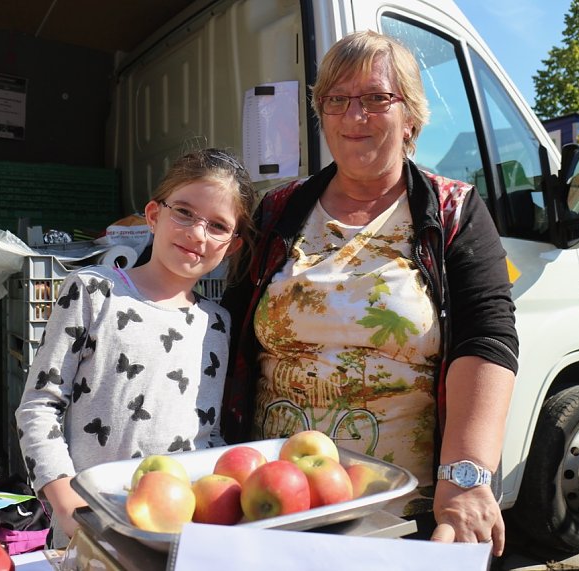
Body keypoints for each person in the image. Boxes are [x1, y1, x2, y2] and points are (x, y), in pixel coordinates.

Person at [220, 31, 518, 557]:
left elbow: (486, 336)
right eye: (337, 99)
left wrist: (467, 476)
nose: (354, 115)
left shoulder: (453, 212)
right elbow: (225, 330)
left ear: (412, 118)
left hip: (403, 512)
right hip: (275, 502)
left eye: (377, 98)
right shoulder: (277, 211)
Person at [16, 148, 256, 548]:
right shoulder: (93, 291)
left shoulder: (217, 323)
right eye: (184, 212)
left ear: (231, 247)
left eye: (217, 225)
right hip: (92, 523)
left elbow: (207, 433)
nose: (197, 233)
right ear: (153, 215)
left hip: (182, 531)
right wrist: (66, 503)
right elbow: (39, 405)